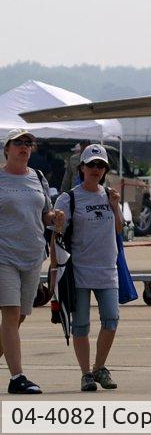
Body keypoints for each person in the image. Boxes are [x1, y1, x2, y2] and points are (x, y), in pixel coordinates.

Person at [0, 129, 65, 394]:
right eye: (18, 143)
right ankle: (17, 378)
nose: (24, 147)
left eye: (29, 143)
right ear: (7, 149)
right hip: (4, 255)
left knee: (20, 317)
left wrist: (54, 217)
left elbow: (44, 214)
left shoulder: (37, 177)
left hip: (32, 255)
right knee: (11, 313)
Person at [53, 144, 122, 392]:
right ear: (81, 168)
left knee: (111, 319)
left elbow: (118, 229)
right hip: (80, 270)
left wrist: (115, 207)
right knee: (80, 325)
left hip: (107, 270)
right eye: (91, 164)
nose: (95, 169)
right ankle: (86, 374)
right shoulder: (69, 197)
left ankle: (99, 367)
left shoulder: (110, 195)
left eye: (100, 165)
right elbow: (56, 234)